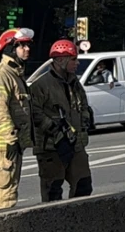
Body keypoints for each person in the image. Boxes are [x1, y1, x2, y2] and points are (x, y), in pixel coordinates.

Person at [0, 27, 35, 211]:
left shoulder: (14, 74)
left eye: (28, 46)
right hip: (2, 147)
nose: (27, 49)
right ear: (10, 48)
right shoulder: (0, 74)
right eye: (22, 46)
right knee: (3, 200)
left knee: (9, 195)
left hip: (11, 146)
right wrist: (11, 138)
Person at [30, 40, 93, 202]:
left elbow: (84, 105)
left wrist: (85, 120)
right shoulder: (41, 85)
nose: (77, 63)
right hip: (51, 148)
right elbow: (34, 113)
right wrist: (54, 129)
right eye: (73, 59)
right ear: (60, 60)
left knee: (83, 185)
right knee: (53, 192)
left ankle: (77, 221)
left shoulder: (75, 83)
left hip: (75, 145)